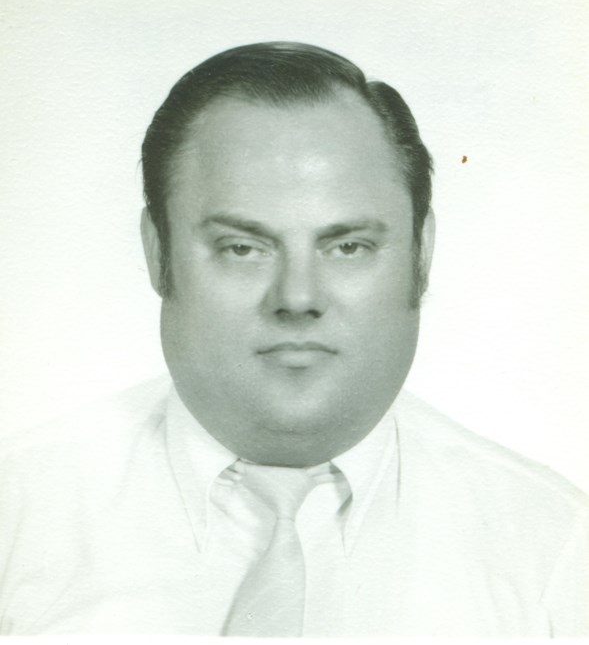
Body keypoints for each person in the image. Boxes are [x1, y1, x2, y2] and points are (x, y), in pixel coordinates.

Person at [0, 41, 587, 637]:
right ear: (157, 252)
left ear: (422, 253)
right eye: (242, 248)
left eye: (348, 246)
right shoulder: (15, 517)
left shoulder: (555, 548)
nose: (298, 297)